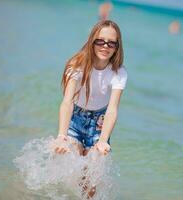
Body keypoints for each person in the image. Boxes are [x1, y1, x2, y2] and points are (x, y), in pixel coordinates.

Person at [53, 20, 128, 199]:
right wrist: (61, 135)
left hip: (99, 124)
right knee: (71, 158)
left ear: (117, 47)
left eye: (111, 43)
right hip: (76, 119)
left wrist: (103, 141)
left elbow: (112, 109)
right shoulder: (77, 64)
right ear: (92, 41)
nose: (105, 46)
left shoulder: (119, 72)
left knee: (92, 176)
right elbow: (67, 102)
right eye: (100, 41)